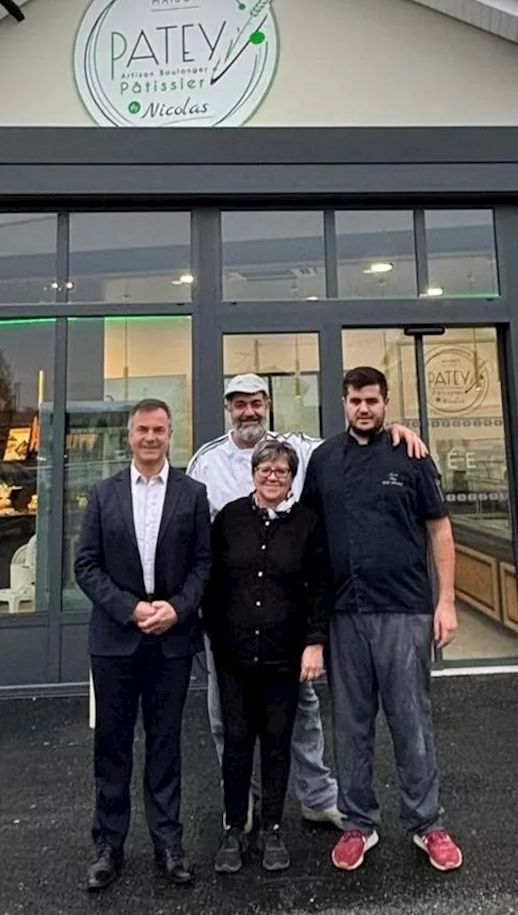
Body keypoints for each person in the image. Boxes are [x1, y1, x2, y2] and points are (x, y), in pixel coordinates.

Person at [187, 373, 427, 831]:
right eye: (239, 404)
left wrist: (400, 434)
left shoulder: (301, 448)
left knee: (304, 714)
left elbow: (359, 441)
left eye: (256, 402)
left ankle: (317, 797)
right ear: (227, 408)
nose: (248, 412)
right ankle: (242, 802)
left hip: (288, 618)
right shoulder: (206, 462)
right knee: (226, 721)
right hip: (231, 622)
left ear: (268, 403)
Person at [301, 366, 463, 874]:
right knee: (350, 725)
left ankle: (427, 823)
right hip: (345, 614)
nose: (363, 408)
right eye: (355, 400)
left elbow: (439, 531)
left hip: (405, 609)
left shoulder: (410, 455)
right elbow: (312, 543)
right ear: (343, 402)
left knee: (411, 720)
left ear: (386, 402)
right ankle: (358, 825)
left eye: (372, 400)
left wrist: (447, 601)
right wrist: (313, 626)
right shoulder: (324, 460)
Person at [73, 398, 211, 891]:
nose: (150, 438)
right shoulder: (104, 494)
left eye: (159, 430)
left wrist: (177, 608)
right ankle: (109, 845)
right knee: (111, 745)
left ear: (170, 434)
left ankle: (168, 843)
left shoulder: (193, 494)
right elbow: (85, 565)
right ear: (129, 435)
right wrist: (130, 609)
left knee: (165, 744)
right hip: (115, 639)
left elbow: (203, 565)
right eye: (142, 430)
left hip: (171, 638)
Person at [205, 439, 331, 875]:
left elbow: (319, 586)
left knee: (278, 745)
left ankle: (273, 828)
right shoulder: (230, 519)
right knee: (237, 742)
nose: (273, 477)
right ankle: (234, 828)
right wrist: (216, 637)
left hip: (284, 656)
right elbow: (212, 581)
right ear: (253, 473)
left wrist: (315, 641)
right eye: (265, 470)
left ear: (292, 478)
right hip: (234, 657)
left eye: (282, 471)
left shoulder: (308, 524)